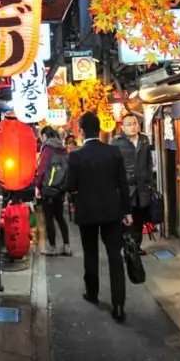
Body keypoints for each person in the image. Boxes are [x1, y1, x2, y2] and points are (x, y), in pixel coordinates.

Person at [64, 112, 132, 322]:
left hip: (87, 211)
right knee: (115, 255)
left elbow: (70, 186)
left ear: (81, 131)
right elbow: (123, 183)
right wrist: (127, 211)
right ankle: (118, 304)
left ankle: (92, 292)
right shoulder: (113, 152)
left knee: (90, 253)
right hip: (112, 210)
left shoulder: (75, 156)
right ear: (100, 129)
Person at [112, 112, 154, 249]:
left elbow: (148, 162)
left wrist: (149, 181)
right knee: (126, 218)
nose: (133, 127)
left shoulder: (144, 140)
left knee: (140, 218)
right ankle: (127, 246)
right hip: (126, 188)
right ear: (123, 127)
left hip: (142, 187)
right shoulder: (117, 142)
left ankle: (136, 246)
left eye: (135, 123)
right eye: (129, 124)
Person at [34, 126, 71, 256]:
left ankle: (53, 247)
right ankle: (67, 246)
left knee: (49, 218)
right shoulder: (62, 149)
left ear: (45, 136)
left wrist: (38, 186)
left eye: (41, 136)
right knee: (60, 217)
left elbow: (42, 170)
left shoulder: (47, 149)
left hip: (48, 189)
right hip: (60, 189)